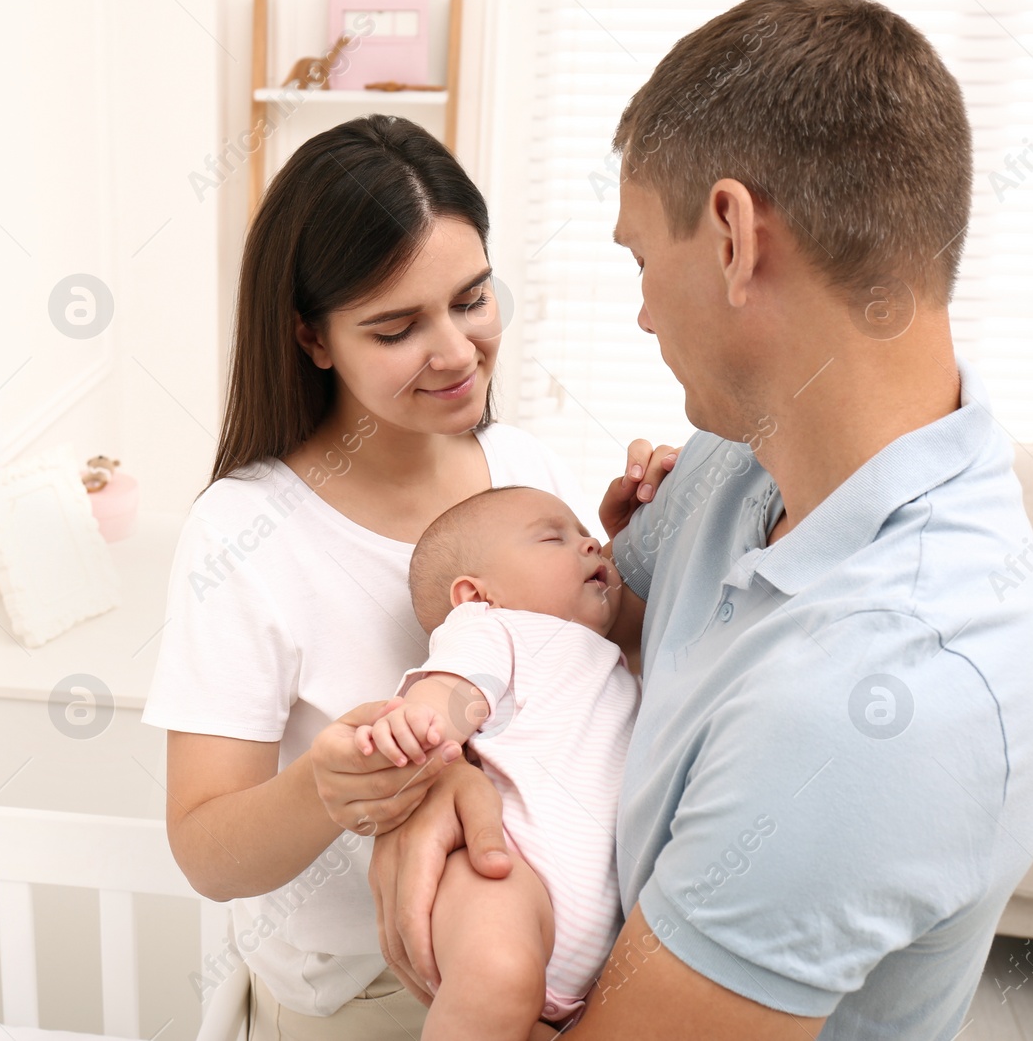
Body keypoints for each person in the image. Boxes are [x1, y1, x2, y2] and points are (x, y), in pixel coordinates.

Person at [356, 0, 1033, 1039]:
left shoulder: (886, 695)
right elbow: (588, 659)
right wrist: (443, 779)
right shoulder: (737, 458)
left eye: (641, 257)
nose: (640, 309)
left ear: (733, 234)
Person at [139, 113, 676, 1038]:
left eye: (471, 299)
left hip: (575, 953)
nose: (458, 352)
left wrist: (656, 544)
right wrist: (325, 790)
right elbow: (206, 850)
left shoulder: (524, 469)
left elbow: (613, 665)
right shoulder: (246, 533)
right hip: (368, 993)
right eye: (397, 327)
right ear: (313, 339)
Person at [354, 486, 641, 1036]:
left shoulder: (609, 658)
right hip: (507, 873)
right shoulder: (499, 628)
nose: (588, 545)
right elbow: (456, 689)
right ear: (476, 595)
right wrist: (420, 725)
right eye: (553, 538)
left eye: (586, 535)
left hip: (596, 949)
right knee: (497, 975)